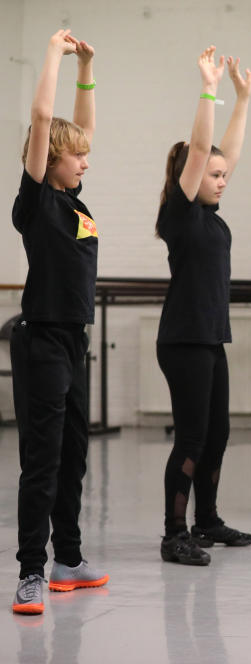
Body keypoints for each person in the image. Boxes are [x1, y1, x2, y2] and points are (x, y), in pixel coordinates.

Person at [10, 29, 108, 615]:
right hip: (41, 340)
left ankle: (67, 557)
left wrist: (88, 70)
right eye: (77, 156)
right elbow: (45, 117)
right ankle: (29, 571)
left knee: (74, 454)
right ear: (50, 161)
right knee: (42, 459)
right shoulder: (36, 203)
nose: (86, 160)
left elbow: (80, 127)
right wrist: (54, 53)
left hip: (75, 342)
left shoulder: (77, 204)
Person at [155, 46, 251, 565]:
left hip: (210, 339)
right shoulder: (182, 214)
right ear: (191, 177)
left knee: (218, 434)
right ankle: (175, 533)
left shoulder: (212, 215)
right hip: (183, 340)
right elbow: (201, 149)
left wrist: (242, 99)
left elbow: (223, 153)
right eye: (213, 175)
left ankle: (206, 521)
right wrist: (208, 88)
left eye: (222, 175)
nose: (222, 178)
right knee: (192, 437)